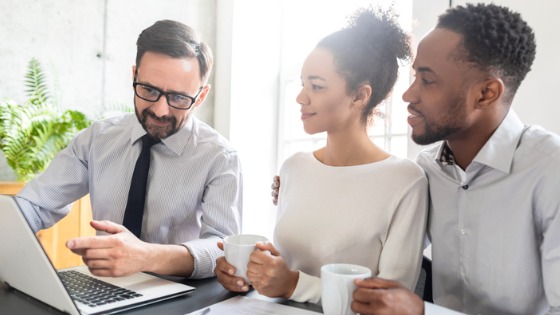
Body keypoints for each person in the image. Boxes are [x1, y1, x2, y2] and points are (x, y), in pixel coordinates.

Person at [349, 3, 560, 315]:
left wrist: (423, 312)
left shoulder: (550, 170)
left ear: (486, 93)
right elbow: (372, 249)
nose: (409, 95)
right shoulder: (426, 169)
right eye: (414, 76)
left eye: (428, 80)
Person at [215, 7, 428, 304]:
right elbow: (285, 271)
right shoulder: (294, 168)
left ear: (359, 95)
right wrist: (249, 275)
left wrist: (292, 284)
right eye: (303, 84)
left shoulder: (405, 181)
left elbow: (387, 303)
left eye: (316, 86)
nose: (301, 98)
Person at [14, 20, 243, 279]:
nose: (160, 110)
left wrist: (146, 256)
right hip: (107, 289)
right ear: (134, 76)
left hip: (184, 296)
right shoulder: (97, 140)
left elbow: (223, 247)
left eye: (179, 98)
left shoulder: (220, 157)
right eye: (148, 90)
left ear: (200, 96)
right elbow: (36, 205)